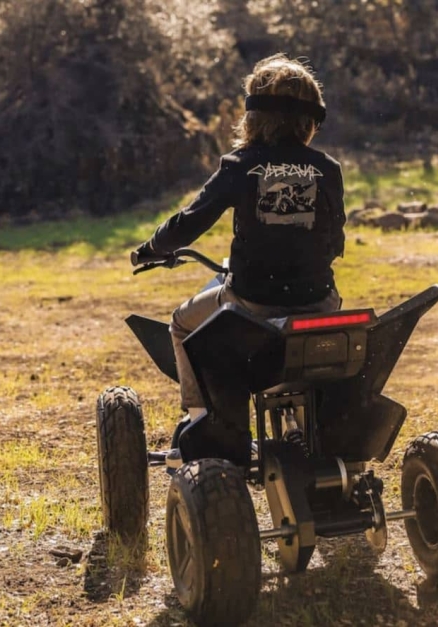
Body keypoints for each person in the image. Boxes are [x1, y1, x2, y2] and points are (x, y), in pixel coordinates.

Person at [133, 54, 346, 466]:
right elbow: (335, 240)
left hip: (252, 304)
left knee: (180, 323)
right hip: (319, 302)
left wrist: (153, 247)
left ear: (254, 115)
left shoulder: (240, 165)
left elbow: (188, 223)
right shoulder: (328, 169)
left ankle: (201, 425)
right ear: (311, 118)